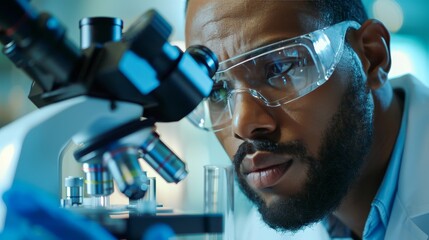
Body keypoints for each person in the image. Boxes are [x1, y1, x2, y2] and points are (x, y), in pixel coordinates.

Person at [185, 0, 429, 239]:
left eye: (280, 68)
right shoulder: (259, 233)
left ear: (371, 56)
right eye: (216, 91)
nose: (242, 124)